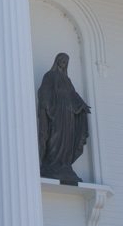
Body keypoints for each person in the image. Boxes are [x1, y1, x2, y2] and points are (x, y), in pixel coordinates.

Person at [36, 53, 90, 185]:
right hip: (56, 114)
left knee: (67, 139)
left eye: (66, 61)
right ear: (57, 61)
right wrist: (47, 107)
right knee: (55, 137)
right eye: (61, 60)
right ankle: (52, 163)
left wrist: (82, 105)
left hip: (68, 115)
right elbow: (43, 92)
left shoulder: (67, 80)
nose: (63, 63)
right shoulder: (49, 76)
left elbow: (73, 95)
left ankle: (64, 164)